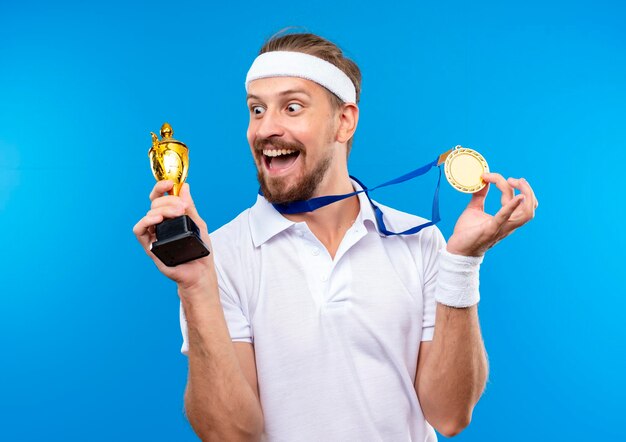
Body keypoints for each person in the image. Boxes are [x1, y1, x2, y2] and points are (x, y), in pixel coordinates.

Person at [133, 32, 538, 441]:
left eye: (292, 107)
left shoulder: (421, 242)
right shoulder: (217, 256)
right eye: (256, 110)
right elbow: (231, 435)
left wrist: (462, 264)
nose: (265, 129)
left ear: (344, 121)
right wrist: (198, 287)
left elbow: (449, 416)